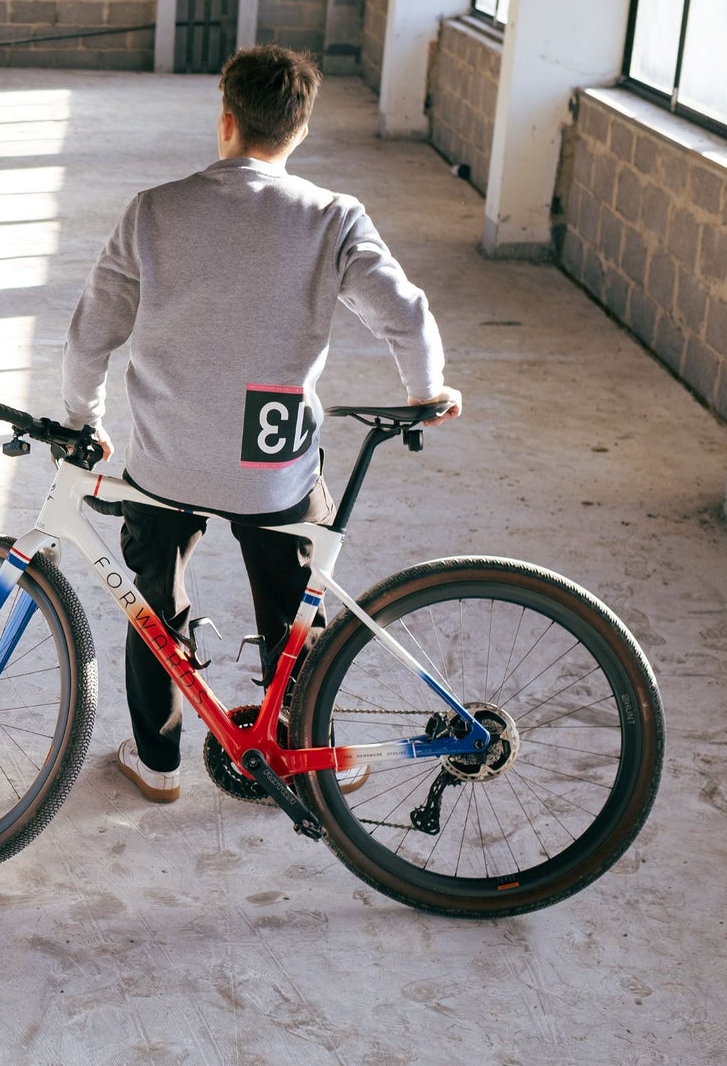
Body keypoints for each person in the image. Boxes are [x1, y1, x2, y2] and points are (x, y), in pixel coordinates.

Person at [59, 45, 463, 803]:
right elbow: (405, 314)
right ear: (300, 132)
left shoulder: (154, 211)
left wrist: (84, 419)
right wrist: (428, 390)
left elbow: (90, 335)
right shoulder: (332, 218)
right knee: (294, 601)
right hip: (271, 460)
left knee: (152, 600)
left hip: (169, 458)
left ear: (225, 119)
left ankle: (159, 764)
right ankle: (296, 745)